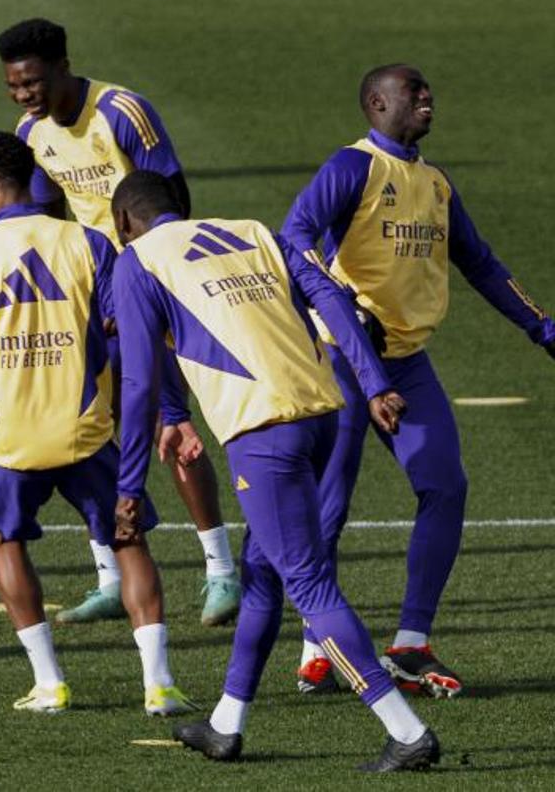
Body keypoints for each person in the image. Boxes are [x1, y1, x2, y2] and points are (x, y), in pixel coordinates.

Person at [110, 170, 439, 771]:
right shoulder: (255, 230)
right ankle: (225, 723)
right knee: (262, 570)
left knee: (309, 584)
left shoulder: (136, 262)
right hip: (322, 418)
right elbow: (333, 296)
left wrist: (130, 485)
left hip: (263, 434)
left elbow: (136, 384)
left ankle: (406, 730)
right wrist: (374, 382)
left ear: (123, 224)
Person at [280, 64, 555, 697]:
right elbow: (294, 240)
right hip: (341, 359)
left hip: (407, 362)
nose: (428, 97)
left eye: (430, 90)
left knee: (445, 485)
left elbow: (480, 263)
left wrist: (540, 327)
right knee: (330, 506)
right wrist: (341, 306)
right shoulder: (352, 169)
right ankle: (316, 645)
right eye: (414, 91)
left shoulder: (434, 182)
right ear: (378, 103)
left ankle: (410, 645)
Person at [0, 132, 195, 716]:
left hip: (9, 439)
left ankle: (49, 684)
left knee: (7, 541)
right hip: (87, 430)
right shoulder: (90, 243)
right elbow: (128, 334)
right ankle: (160, 686)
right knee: (129, 543)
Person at [0, 18, 238, 627]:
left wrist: (147, 284)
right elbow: (45, 212)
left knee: (167, 421)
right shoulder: (31, 132)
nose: (24, 96)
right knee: (86, 431)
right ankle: (109, 574)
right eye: (14, 86)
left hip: (148, 284)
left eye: (32, 82)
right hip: (88, 296)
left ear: (62, 66)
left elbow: (172, 200)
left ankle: (221, 571)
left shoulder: (123, 111)